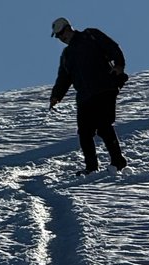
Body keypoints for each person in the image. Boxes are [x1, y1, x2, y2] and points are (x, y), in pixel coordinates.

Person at [48, 17, 129, 175]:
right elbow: (64, 78)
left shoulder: (90, 35)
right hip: (85, 97)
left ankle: (118, 161)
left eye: (61, 33)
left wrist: (119, 65)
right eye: (58, 36)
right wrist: (56, 95)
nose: (61, 38)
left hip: (104, 88)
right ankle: (91, 167)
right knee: (84, 133)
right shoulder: (67, 55)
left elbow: (112, 47)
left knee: (104, 126)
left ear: (68, 28)